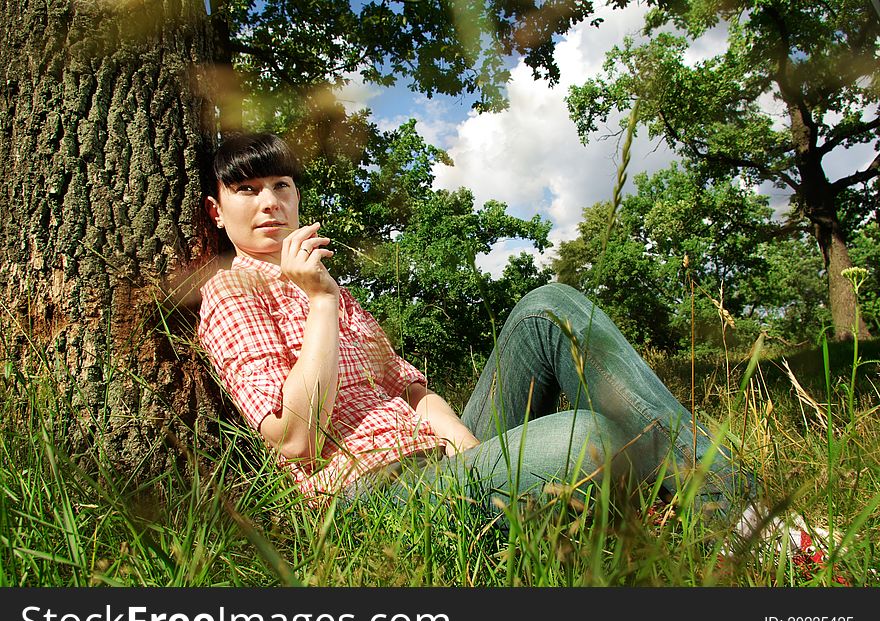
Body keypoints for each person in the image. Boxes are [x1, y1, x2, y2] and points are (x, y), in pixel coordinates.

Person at [197, 133, 825, 558]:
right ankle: (714, 519)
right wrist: (321, 304)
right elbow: (294, 439)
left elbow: (414, 393)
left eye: (280, 185)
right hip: (373, 494)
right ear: (217, 211)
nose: (269, 202)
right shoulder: (232, 295)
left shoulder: (330, 284)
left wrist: (482, 456)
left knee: (548, 307)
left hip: (446, 463)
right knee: (588, 436)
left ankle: (749, 520)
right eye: (246, 191)